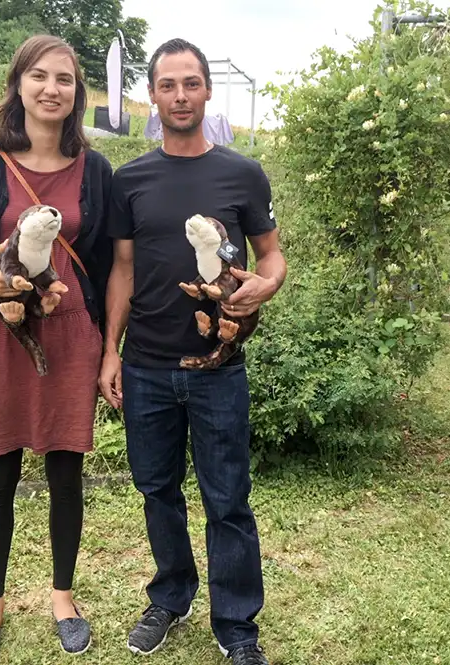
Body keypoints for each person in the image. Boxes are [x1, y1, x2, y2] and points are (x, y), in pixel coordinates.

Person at [99, 38, 287, 665]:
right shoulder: (130, 180)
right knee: (158, 490)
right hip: (146, 367)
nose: (180, 96)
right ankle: (171, 596)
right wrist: (110, 353)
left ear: (207, 91)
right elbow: (122, 271)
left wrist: (267, 284)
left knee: (227, 499)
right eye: (167, 85)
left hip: (218, 370)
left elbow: (271, 255)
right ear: (151, 95)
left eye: (191, 83)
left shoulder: (242, 173)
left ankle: (236, 627)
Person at [0, 34, 113, 665]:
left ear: (77, 92)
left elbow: (107, 265)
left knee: (66, 474)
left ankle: (63, 598)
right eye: (39, 76)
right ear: (17, 84)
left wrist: (109, 346)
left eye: (64, 79)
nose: (51, 89)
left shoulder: (95, 170)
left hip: (69, 334)